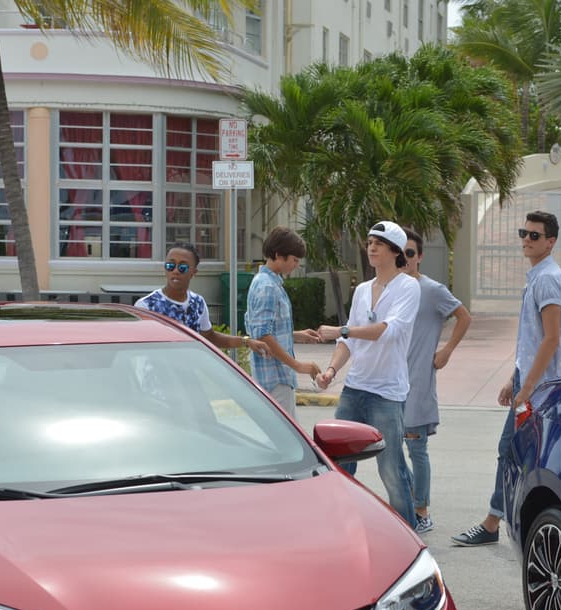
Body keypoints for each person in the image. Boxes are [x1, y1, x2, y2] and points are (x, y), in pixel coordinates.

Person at [453, 210, 561, 546]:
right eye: (524, 233)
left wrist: (528, 387)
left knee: (512, 451)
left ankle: (495, 523)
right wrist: (514, 378)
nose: (526, 239)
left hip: (544, 387)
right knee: (522, 453)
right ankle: (505, 521)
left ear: (551, 242)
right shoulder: (537, 275)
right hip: (532, 379)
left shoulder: (548, 278)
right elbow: (532, 340)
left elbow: (551, 338)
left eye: (534, 235)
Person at [316, 221, 421, 529]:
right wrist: (331, 370)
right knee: (338, 465)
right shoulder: (362, 290)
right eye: (369, 242)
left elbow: (386, 331)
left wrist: (342, 329)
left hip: (387, 393)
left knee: (391, 468)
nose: (371, 247)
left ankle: (409, 537)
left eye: (379, 242)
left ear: (395, 251)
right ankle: (337, 530)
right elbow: (348, 342)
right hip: (354, 389)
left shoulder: (408, 287)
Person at [401, 228, 472, 534]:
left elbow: (464, 316)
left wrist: (447, 350)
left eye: (410, 253)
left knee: (417, 450)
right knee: (390, 451)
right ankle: (403, 506)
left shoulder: (432, 290)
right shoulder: (386, 289)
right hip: (388, 384)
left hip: (418, 382)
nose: (404, 259)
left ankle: (421, 510)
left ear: (420, 256)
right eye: (399, 253)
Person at [243, 227, 323, 420]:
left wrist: (296, 334)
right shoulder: (267, 286)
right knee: (288, 443)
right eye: (294, 260)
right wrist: (298, 365)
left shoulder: (266, 281)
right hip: (275, 378)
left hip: (274, 377)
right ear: (279, 255)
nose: (296, 265)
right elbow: (262, 334)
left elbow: (263, 328)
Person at [136, 243, 269, 357]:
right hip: (155, 381)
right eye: (170, 265)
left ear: (194, 272)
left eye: (182, 267)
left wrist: (246, 342)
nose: (175, 271)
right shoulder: (146, 306)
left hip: (188, 379)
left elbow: (210, 337)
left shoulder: (197, 303)